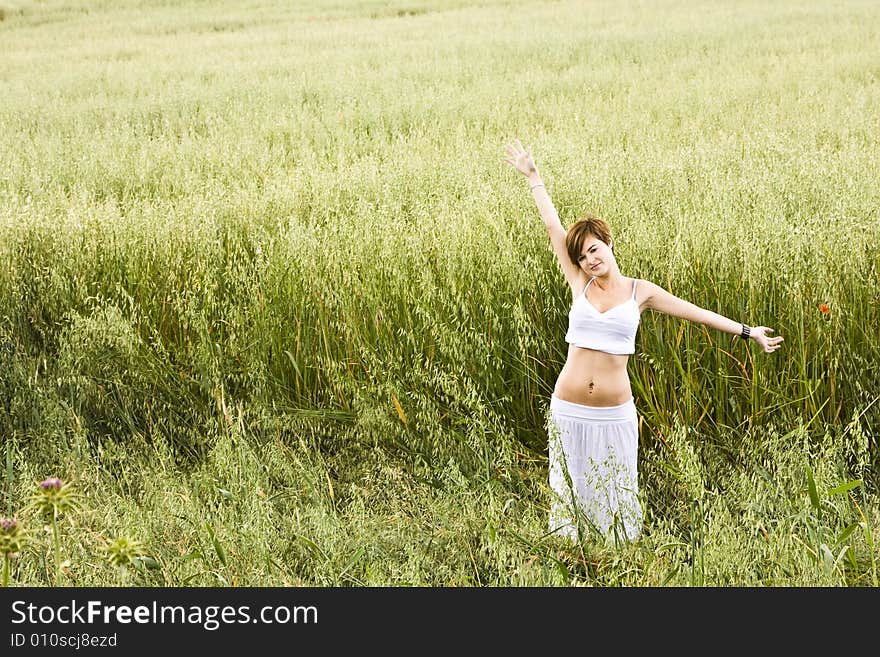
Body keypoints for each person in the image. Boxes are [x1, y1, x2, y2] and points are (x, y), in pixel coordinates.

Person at [504, 139, 784, 543]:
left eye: (594, 250)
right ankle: (574, 562)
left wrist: (747, 331)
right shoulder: (579, 284)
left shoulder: (641, 292)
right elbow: (552, 227)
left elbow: (696, 313)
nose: (590, 260)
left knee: (617, 493)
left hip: (614, 414)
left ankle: (619, 562)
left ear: (609, 244)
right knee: (571, 492)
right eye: (582, 256)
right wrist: (534, 177)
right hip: (568, 410)